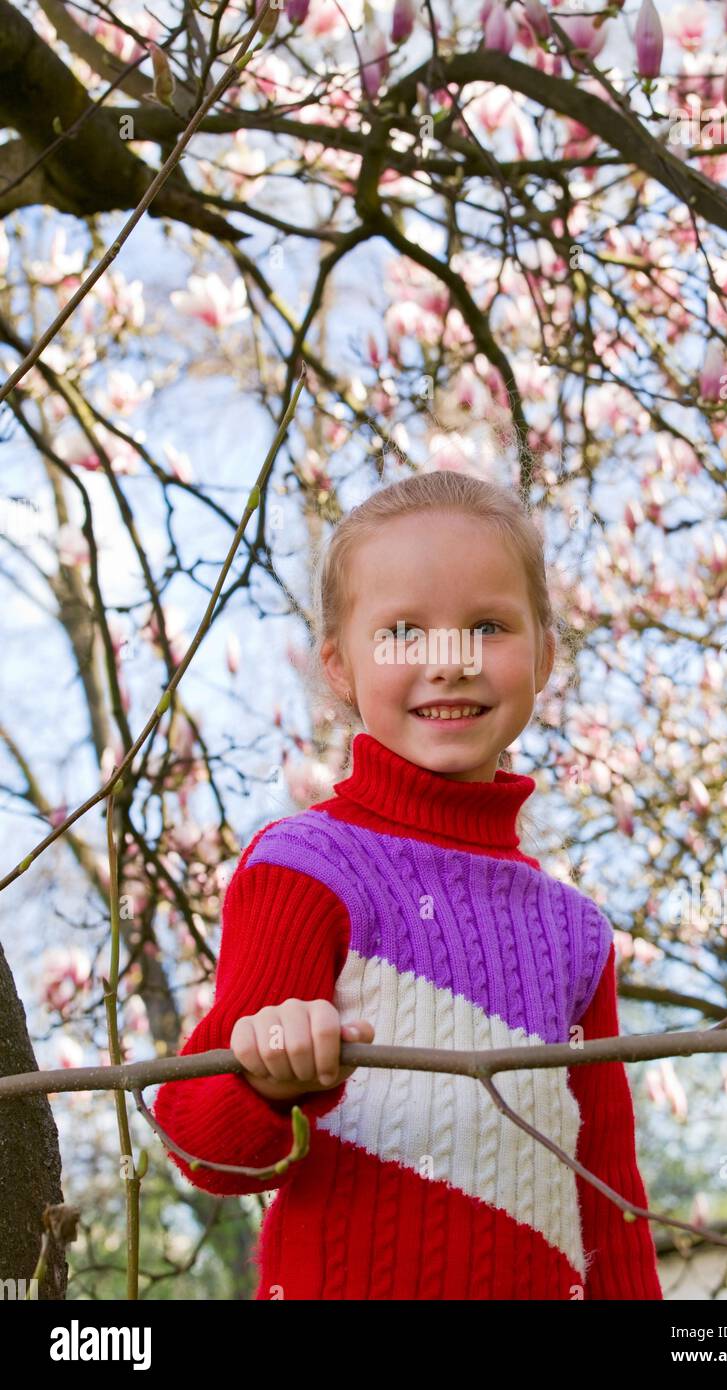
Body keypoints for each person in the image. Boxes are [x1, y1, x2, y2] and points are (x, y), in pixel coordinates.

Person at [152, 469, 663, 1300]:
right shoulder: (304, 868)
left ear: (544, 654)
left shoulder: (577, 934)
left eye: (488, 625)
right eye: (402, 633)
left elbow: (609, 1196)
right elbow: (201, 1145)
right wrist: (264, 1080)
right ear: (339, 665)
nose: (450, 662)